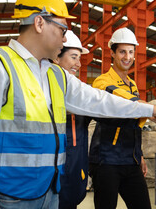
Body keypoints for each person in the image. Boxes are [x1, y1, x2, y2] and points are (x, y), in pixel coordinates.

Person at [0, 0, 156, 209]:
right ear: (40, 23)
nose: (64, 40)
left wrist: (151, 110)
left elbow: (100, 101)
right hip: (10, 197)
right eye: (62, 30)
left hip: (50, 192)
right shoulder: (2, 66)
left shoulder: (55, 75)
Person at [89, 27, 151, 209]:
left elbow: (135, 124)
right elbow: (119, 98)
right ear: (112, 53)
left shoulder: (132, 85)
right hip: (106, 161)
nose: (127, 57)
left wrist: (139, 155)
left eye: (131, 52)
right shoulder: (102, 81)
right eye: (122, 51)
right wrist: (149, 107)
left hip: (130, 161)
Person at [55, 30, 91, 209]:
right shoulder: (43, 90)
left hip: (76, 171)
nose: (78, 64)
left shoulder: (81, 92)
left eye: (79, 59)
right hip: (53, 174)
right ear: (57, 57)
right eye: (74, 57)